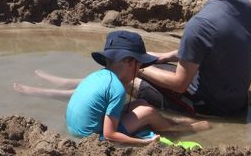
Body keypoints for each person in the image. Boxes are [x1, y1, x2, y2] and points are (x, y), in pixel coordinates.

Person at [15, 31, 210, 145]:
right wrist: (144, 142)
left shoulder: (99, 76)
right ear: (130, 63)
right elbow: (109, 135)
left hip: (75, 127)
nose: (141, 69)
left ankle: (175, 123)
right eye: (140, 64)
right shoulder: (116, 88)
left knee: (140, 102)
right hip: (93, 137)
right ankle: (179, 128)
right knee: (148, 111)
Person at [136, 0, 251, 117]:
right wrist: (166, 56)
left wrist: (136, 68)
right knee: (156, 62)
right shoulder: (245, 4)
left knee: (126, 76)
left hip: (211, 108)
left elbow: (179, 84)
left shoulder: (200, 24)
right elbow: (217, 46)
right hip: (238, 100)